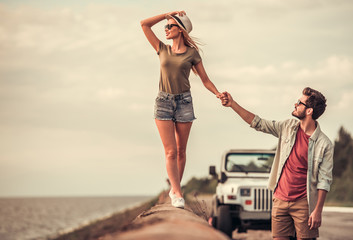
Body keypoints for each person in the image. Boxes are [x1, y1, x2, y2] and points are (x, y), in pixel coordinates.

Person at [220, 88, 333, 240]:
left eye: (299, 103)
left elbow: (324, 181)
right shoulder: (287, 127)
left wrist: (317, 210)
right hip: (279, 199)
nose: (295, 104)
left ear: (309, 111)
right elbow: (258, 123)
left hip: (303, 204)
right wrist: (232, 104)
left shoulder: (324, 144)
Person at [140, 11, 223, 208]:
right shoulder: (162, 48)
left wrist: (218, 93)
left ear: (181, 29)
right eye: (166, 26)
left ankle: (175, 188)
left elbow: (205, 80)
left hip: (184, 102)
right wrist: (166, 15)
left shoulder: (192, 54)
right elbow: (144, 24)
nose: (166, 29)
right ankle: (177, 192)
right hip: (163, 102)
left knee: (181, 151)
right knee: (170, 152)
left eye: (170, 26)